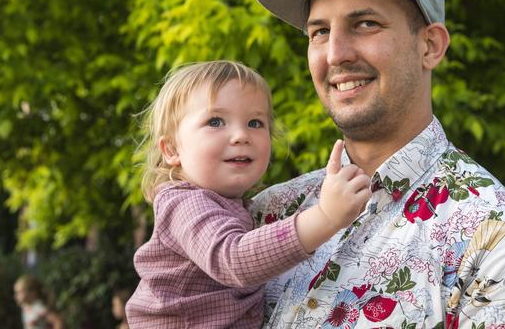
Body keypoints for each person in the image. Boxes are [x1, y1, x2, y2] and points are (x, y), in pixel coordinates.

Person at [250, 0, 505, 327]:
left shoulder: (498, 240)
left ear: (430, 46)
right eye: (319, 32)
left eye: (365, 24)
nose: (335, 54)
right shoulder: (267, 216)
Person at [125, 60, 372, 328]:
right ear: (172, 149)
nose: (241, 135)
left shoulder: (244, 206)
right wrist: (326, 216)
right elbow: (234, 260)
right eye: (215, 121)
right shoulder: (183, 202)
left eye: (255, 122)